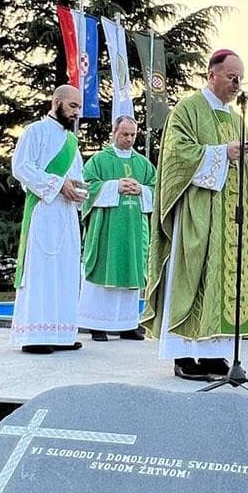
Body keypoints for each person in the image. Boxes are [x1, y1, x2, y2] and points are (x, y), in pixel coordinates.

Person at [141, 48, 248, 380]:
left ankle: (213, 354)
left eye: (240, 78)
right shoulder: (188, 110)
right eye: (231, 77)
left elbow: (237, 165)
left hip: (229, 217)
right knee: (192, 277)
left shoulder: (236, 119)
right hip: (197, 213)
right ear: (211, 74)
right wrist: (222, 152)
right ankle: (183, 355)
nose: (237, 84)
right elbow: (175, 155)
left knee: (222, 284)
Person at [10, 85, 86, 353]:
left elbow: (78, 177)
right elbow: (21, 167)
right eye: (73, 106)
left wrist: (79, 191)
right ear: (57, 103)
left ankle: (61, 335)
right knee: (42, 271)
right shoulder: (35, 131)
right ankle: (35, 336)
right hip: (43, 210)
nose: (78, 112)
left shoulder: (72, 142)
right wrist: (57, 184)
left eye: (79, 107)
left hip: (66, 213)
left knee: (65, 271)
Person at [79, 116, 156, 342]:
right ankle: (97, 325)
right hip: (107, 229)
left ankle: (127, 324)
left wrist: (142, 190)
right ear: (114, 132)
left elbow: (156, 188)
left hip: (134, 229)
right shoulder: (99, 160)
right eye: (124, 134)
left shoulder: (143, 164)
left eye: (133, 135)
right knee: (104, 268)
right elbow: (86, 187)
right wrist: (115, 186)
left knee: (131, 270)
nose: (129, 139)